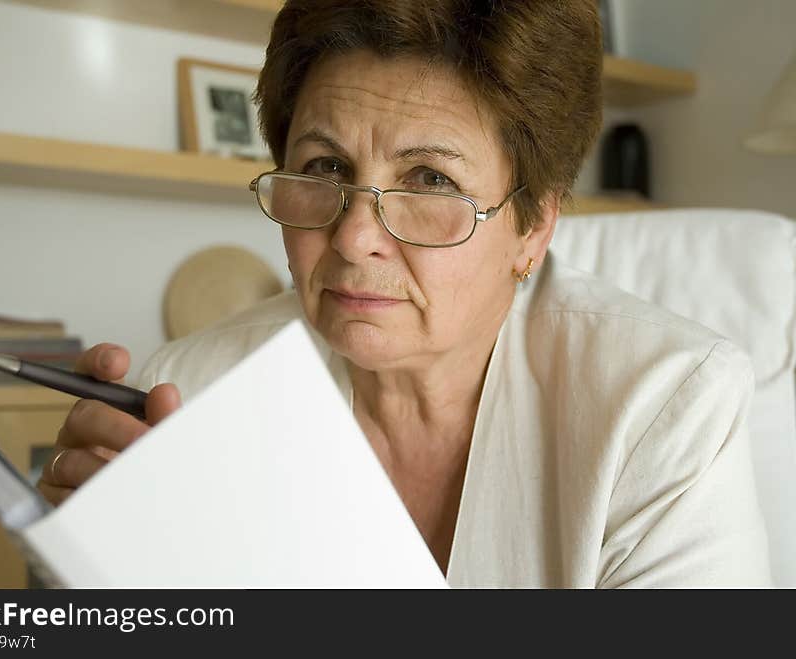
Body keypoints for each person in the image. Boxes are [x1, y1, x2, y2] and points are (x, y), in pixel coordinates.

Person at [38, 0, 772, 587]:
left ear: (533, 226)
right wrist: (94, 580)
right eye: (324, 166)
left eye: (430, 180)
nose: (356, 236)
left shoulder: (665, 407)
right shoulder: (188, 392)